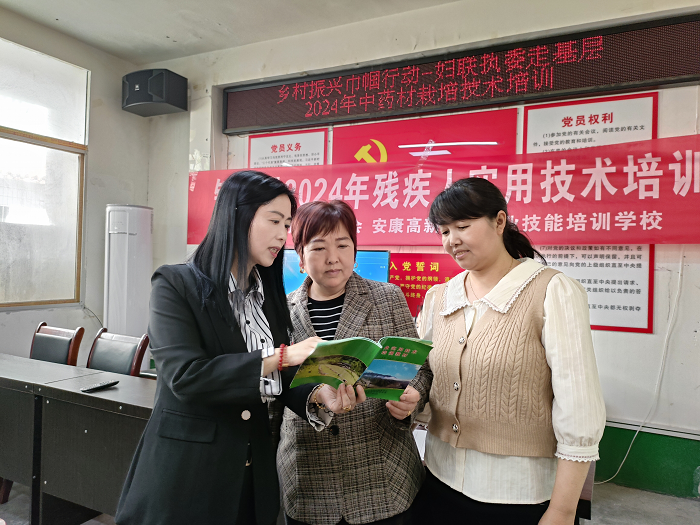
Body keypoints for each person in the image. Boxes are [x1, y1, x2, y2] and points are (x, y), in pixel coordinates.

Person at [115, 172, 363, 525]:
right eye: (274, 221)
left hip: (253, 475)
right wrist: (281, 356)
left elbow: (277, 379)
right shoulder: (176, 284)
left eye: (287, 225)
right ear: (237, 216)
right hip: (189, 477)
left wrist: (319, 396)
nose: (282, 235)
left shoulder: (268, 295)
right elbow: (185, 377)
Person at [412, 177, 606, 525]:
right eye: (444, 231)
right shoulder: (439, 297)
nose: (452, 240)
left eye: (462, 226)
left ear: (499, 221)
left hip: (519, 494)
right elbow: (424, 371)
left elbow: (578, 409)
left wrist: (562, 511)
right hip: (439, 482)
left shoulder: (552, 291)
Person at [271, 200, 430, 525]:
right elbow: (274, 392)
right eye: (319, 248)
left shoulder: (388, 297)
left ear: (355, 250)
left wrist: (411, 400)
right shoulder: (280, 313)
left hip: (383, 477)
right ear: (300, 257)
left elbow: (420, 370)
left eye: (343, 245)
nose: (333, 257)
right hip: (308, 479)